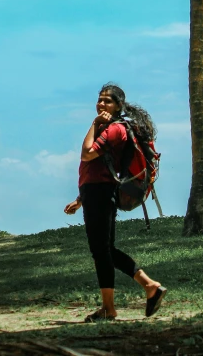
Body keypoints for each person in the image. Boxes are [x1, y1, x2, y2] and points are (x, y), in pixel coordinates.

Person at [64, 83, 166, 322]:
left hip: (100, 193)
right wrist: (80, 199)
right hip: (95, 192)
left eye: (107, 101)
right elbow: (100, 166)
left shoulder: (115, 129)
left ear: (119, 105)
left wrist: (94, 124)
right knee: (106, 249)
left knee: (101, 251)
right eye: (99, 100)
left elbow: (87, 154)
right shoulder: (112, 128)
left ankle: (110, 308)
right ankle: (149, 287)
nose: (101, 104)